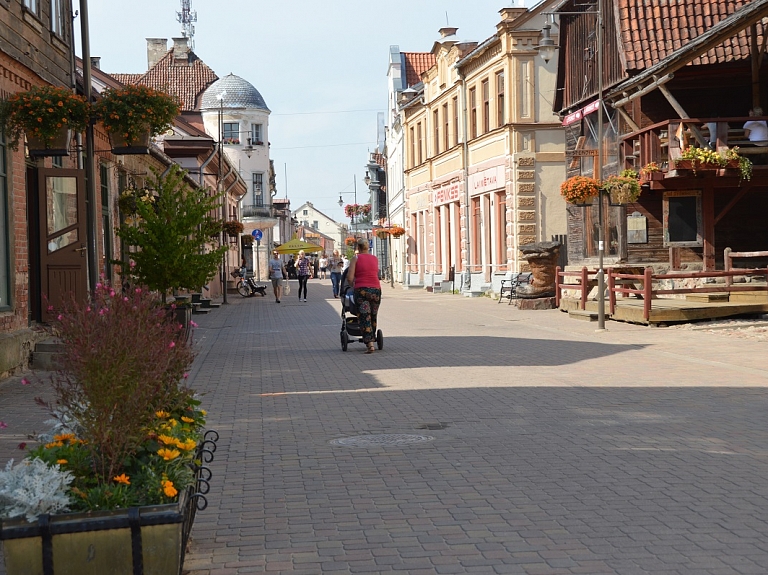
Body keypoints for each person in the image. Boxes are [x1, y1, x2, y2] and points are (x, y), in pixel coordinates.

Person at [346, 238, 381, 354]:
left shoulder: (356, 259)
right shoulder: (375, 259)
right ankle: (373, 336)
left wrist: (352, 285)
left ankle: (370, 344)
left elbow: (350, 277)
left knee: (364, 316)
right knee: (373, 315)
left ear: (358, 248)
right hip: (376, 290)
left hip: (362, 291)